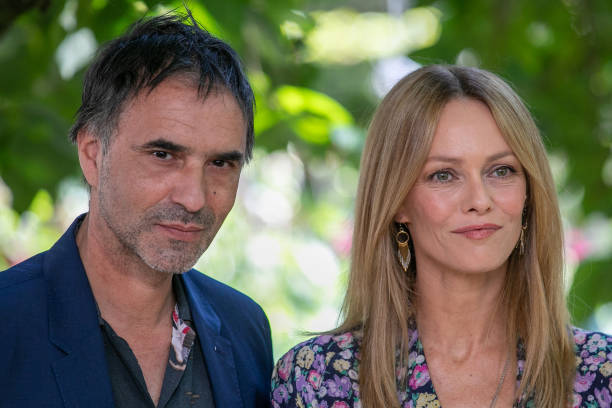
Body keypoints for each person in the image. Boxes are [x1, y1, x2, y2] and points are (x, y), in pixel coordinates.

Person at [271, 65, 612, 407]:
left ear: (528, 194)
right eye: (444, 176)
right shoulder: (317, 379)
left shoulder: (601, 372)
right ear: (397, 201)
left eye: (502, 170)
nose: (480, 201)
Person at [0, 11, 273, 408]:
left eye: (220, 164)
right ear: (93, 155)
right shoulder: (7, 323)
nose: (194, 198)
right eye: (163, 154)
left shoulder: (243, 327)